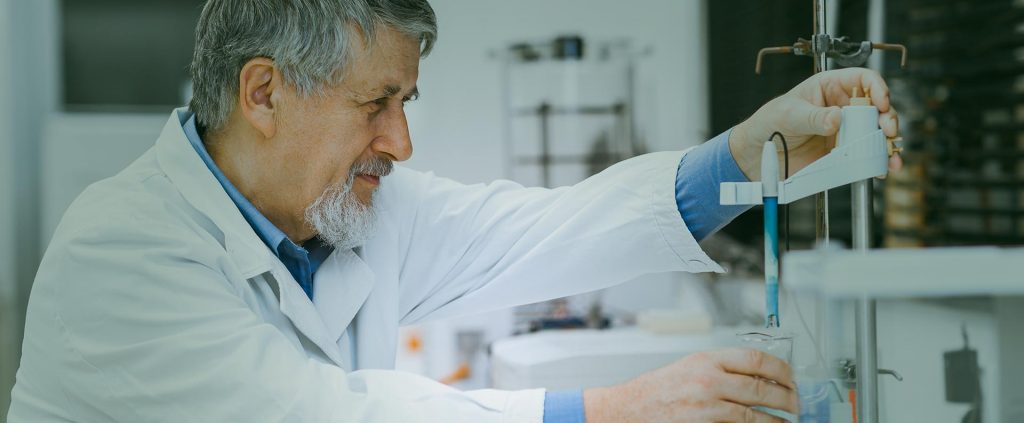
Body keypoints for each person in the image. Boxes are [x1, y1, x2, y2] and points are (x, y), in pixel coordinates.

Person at [8, 0, 901, 422]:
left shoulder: (341, 215)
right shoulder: (120, 248)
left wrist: (748, 154)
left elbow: (542, 230)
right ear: (264, 93)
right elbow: (324, 415)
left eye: (409, 103)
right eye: (376, 103)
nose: (401, 142)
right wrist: (616, 409)